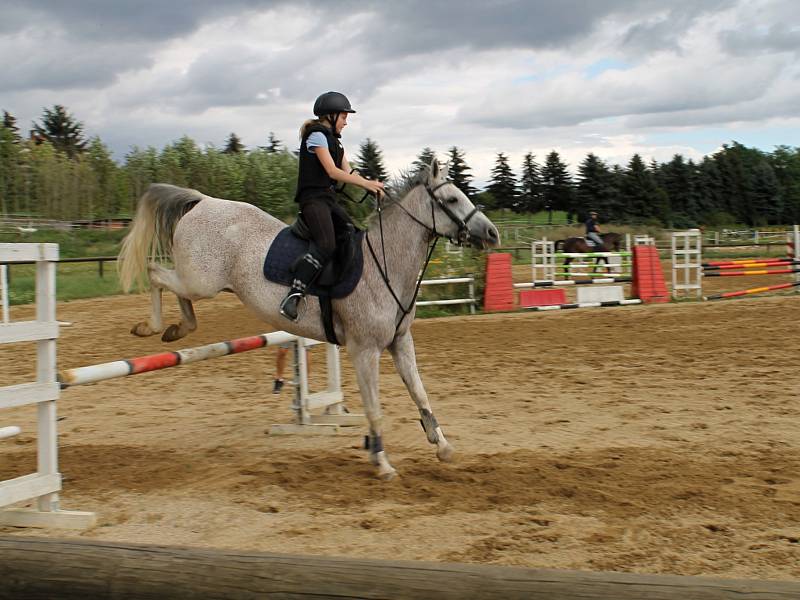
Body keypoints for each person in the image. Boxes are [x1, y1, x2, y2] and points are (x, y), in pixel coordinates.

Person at [279, 91, 385, 321]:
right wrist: (365, 183)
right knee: (326, 244)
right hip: (313, 200)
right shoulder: (316, 136)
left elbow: (348, 172)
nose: (346, 123)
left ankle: (339, 290)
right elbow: (332, 172)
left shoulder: (335, 144)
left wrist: (372, 186)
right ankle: (295, 293)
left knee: (351, 233)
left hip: (328, 200)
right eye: (344, 117)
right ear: (331, 115)